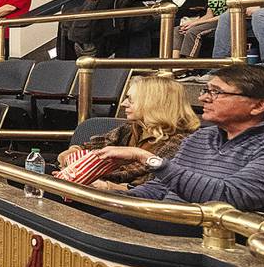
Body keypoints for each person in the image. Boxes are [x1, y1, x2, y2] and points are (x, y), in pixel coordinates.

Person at [102, 66, 264, 213]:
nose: (203, 98)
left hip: (208, 236)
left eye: (217, 92)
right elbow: (158, 189)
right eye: (206, 90)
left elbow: (228, 197)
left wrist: (149, 159)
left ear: (258, 106)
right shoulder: (201, 136)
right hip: (164, 219)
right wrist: (111, 197)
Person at [53, 77, 197, 191]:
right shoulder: (131, 128)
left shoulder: (181, 142)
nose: (123, 103)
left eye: (131, 100)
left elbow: (153, 189)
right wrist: (71, 154)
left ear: (153, 103)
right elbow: (89, 148)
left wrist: (107, 187)